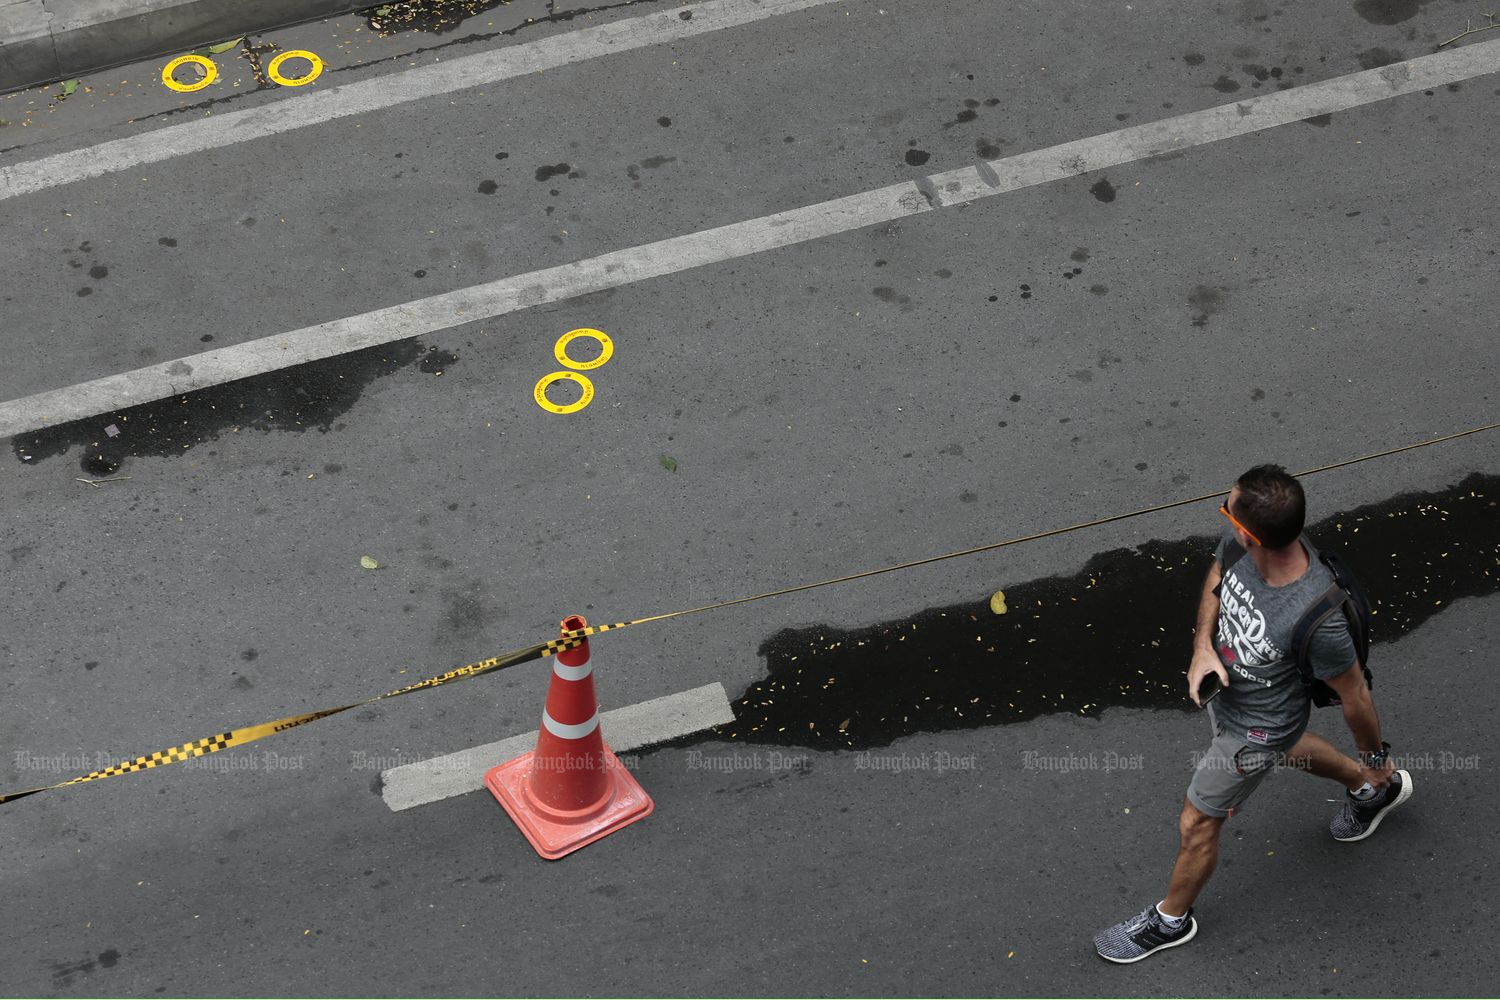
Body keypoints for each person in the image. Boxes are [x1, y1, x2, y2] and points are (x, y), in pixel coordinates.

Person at [1093, 464, 1413, 963]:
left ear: (1250, 531)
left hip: (1255, 730)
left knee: (1198, 819)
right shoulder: (1245, 541)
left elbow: (1356, 697)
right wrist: (1203, 646)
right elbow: (1219, 574)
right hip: (1228, 693)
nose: (1225, 519)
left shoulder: (1317, 614)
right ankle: (1373, 792)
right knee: (1289, 750)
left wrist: (1375, 754)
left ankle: (1170, 920)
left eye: (1227, 510)